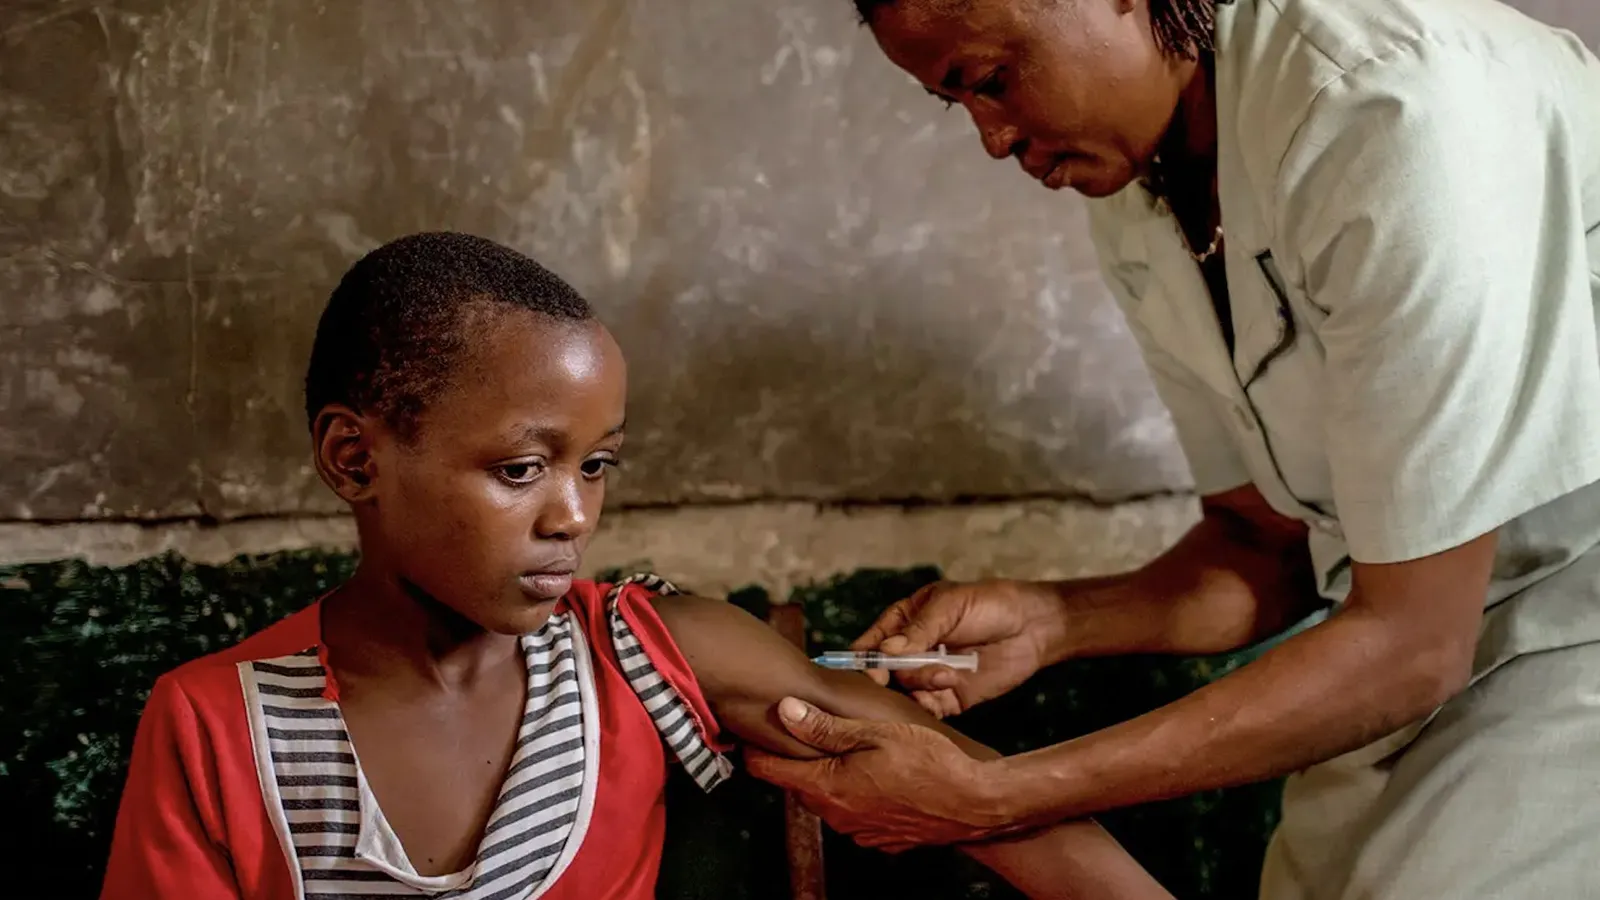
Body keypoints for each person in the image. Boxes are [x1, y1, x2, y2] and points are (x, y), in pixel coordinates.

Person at [744, 0, 1600, 896]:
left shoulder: (1390, 108)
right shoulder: (1142, 185)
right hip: (1404, 669)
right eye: (955, 103)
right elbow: (1266, 544)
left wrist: (997, 798)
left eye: (993, 80)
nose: (994, 140)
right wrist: (1053, 621)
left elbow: (1416, 641)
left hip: (1564, 639)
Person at [99, 232, 1171, 899]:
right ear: (354, 459)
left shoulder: (648, 655)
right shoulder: (215, 726)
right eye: (520, 469)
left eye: (597, 465)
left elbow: (998, 808)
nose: (573, 515)